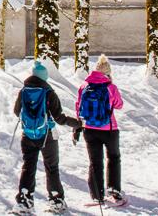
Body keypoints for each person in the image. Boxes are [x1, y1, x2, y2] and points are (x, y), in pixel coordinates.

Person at [14, 61, 82, 213]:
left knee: (28, 166)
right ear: (44, 77)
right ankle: (56, 200)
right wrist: (77, 124)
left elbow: (16, 111)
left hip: (28, 135)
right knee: (51, 167)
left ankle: (24, 201)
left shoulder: (23, 91)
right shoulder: (49, 92)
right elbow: (59, 118)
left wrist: (30, 121)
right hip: (47, 136)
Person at [76, 55, 126, 207]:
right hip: (109, 128)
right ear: (108, 72)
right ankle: (114, 191)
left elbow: (78, 107)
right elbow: (119, 105)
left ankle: (97, 196)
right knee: (113, 158)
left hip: (89, 129)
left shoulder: (84, 85)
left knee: (95, 162)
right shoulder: (110, 87)